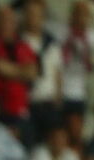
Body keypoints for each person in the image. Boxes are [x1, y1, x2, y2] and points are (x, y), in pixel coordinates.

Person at [0, 5, 37, 142]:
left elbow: (32, 72)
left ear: (15, 24)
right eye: (2, 20)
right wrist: (20, 71)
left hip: (19, 112)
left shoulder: (24, 46)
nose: (6, 24)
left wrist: (9, 69)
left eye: (9, 21)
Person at [22, 0, 63, 141]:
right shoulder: (19, 41)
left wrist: (58, 98)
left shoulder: (52, 43)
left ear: (43, 17)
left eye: (37, 14)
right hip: (28, 104)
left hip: (49, 104)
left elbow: (57, 72)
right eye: (30, 14)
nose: (33, 18)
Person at [61, 1, 94, 119]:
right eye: (78, 13)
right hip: (62, 90)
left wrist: (83, 38)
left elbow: (90, 66)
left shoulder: (92, 36)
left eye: (84, 14)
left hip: (80, 91)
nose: (81, 17)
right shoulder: (64, 32)